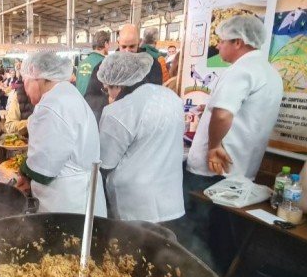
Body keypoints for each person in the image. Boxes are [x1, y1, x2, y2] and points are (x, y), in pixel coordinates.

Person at [183, 14, 283, 269]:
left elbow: (223, 112)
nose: (218, 46)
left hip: (214, 171)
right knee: (225, 232)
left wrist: (214, 146)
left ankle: (199, 276)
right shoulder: (269, 72)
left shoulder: (242, 70)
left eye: (223, 41)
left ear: (239, 42)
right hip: (240, 169)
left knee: (202, 230)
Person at [98, 52, 184, 223]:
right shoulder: (171, 97)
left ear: (118, 84)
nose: (108, 93)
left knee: (136, 247)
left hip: (134, 204)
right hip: (170, 197)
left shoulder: (119, 111)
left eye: (107, 88)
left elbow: (106, 162)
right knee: (165, 245)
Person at [16, 52, 106, 216]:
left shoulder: (51, 105)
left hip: (67, 204)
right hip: (85, 196)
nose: (25, 91)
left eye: (25, 82)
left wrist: (25, 174)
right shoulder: (68, 93)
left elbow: (44, 167)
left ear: (36, 75)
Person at [76, 30, 109, 95]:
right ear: (105, 44)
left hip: (79, 103)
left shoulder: (81, 63)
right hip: (95, 104)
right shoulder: (106, 63)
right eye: (109, 44)